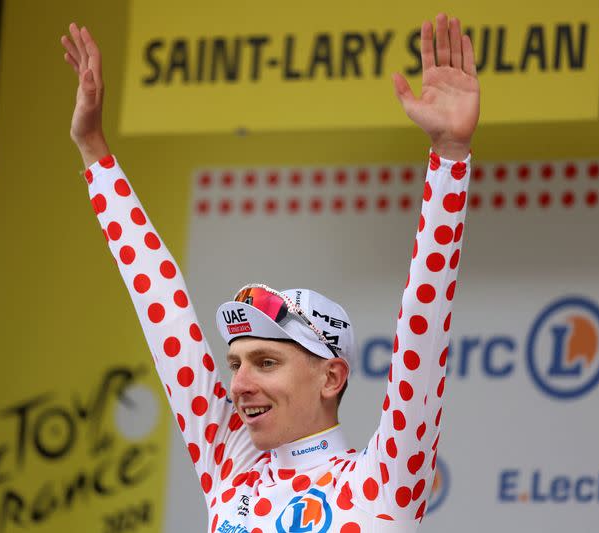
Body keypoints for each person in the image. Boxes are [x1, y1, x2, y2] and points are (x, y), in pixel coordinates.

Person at [62, 12, 478, 532]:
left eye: (265, 361)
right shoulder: (231, 470)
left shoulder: (383, 482)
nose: (238, 383)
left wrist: (450, 157)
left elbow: (424, 319)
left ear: (331, 376)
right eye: (235, 362)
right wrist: (95, 153)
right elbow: (162, 304)